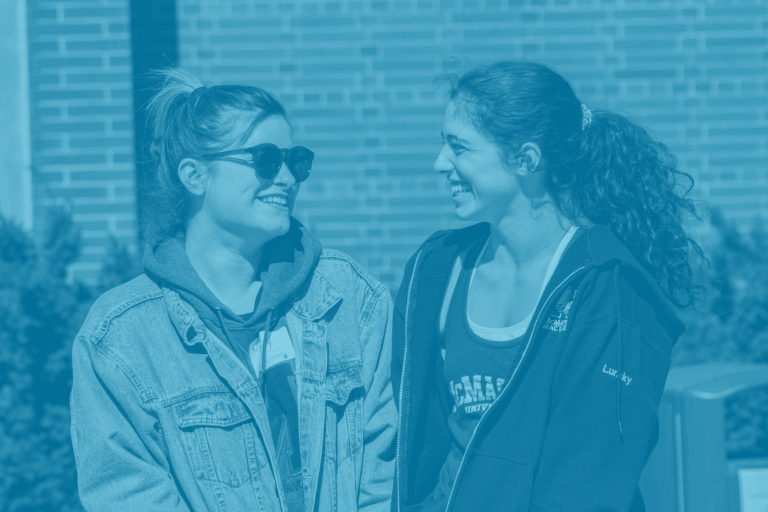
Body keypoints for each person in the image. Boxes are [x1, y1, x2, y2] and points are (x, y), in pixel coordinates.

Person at [70, 69, 397, 512]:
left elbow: (385, 469)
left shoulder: (349, 297)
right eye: (265, 159)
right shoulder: (120, 338)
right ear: (195, 175)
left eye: (295, 160)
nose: (286, 177)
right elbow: (129, 494)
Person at [391, 61, 703, 512]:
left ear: (526, 159)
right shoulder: (437, 268)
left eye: (459, 148)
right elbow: (408, 436)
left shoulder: (607, 286)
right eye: (443, 145)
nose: (440, 164)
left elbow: (586, 484)